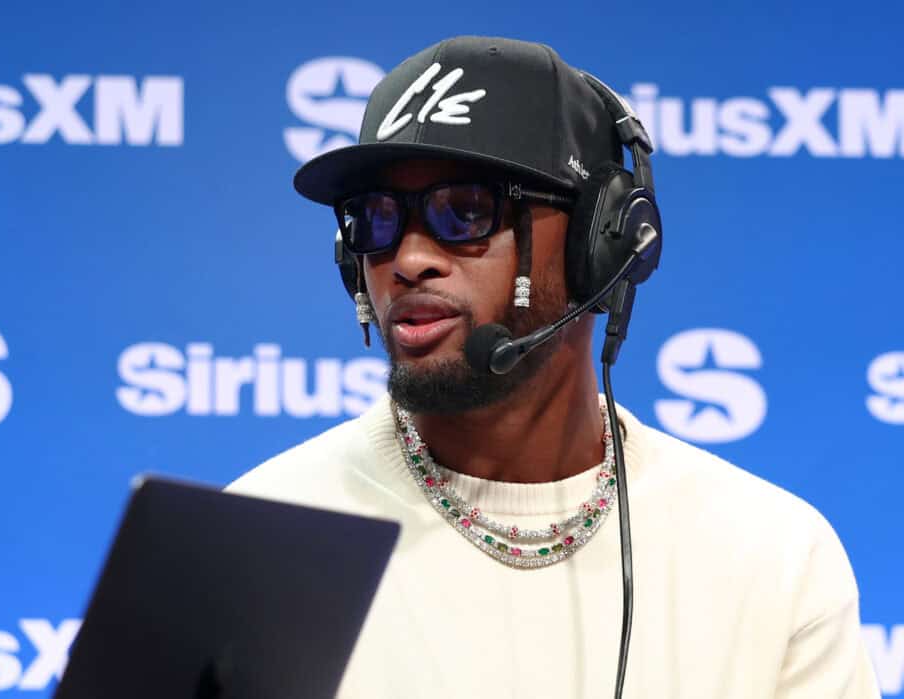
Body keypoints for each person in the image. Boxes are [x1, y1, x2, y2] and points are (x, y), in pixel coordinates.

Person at [227, 36, 879, 698]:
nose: (409, 258)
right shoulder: (252, 544)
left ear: (602, 244)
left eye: (465, 211)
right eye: (377, 218)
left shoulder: (773, 558)